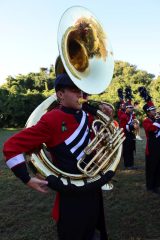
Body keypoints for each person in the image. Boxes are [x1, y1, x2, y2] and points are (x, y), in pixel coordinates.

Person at [3, 73, 114, 240]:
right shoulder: (51, 119)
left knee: (95, 231)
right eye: (75, 90)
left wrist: (108, 117)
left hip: (93, 187)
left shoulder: (88, 116)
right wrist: (26, 178)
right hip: (70, 194)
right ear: (60, 95)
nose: (81, 95)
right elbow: (11, 146)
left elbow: (102, 140)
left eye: (83, 91)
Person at [142, 101, 160, 193]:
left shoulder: (155, 119)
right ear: (148, 112)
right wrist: (158, 121)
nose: (155, 111)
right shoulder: (146, 121)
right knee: (152, 167)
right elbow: (151, 129)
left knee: (158, 166)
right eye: (152, 110)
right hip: (152, 146)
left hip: (158, 145)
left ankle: (157, 184)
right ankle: (150, 186)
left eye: (155, 109)